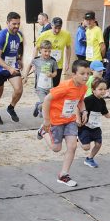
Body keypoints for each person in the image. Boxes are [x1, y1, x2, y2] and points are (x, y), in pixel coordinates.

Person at [37, 59, 90, 187]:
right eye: (82, 73)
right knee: (56, 148)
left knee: (72, 146)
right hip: (56, 120)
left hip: (70, 120)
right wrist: (46, 120)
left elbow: (80, 101)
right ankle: (43, 131)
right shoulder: (65, 86)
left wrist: (84, 111)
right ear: (73, 75)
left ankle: (63, 175)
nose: (86, 76)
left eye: (88, 73)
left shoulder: (84, 87)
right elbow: (47, 99)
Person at [0, 11, 24, 124]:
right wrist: (9, 68)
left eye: (18, 23)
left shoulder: (19, 34)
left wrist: (19, 60)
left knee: (19, 89)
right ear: (7, 23)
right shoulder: (1, 36)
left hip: (12, 66)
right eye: (14, 24)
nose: (16, 26)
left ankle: (11, 107)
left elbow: (17, 49)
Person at [79, 78, 110, 168]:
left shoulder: (102, 101)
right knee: (86, 147)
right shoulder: (88, 100)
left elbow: (105, 113)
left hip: (96, 127)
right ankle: (77, 136)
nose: (103, 91)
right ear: (93, 90)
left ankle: (89, 158)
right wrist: (79, 120)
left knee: (98, 144)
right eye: (100, 89)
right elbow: (79, 109)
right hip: (85, 126)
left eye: (105, 89)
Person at [22, 40, 57, 118]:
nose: (47, 53)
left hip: (50, 87)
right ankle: (44, 116)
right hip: (39, 87)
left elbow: (55, 72)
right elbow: (29, 66)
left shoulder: (53, 60)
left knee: (48, 103)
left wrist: (52, 75)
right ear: (40, 50)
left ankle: (38, 106)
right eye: (45, 51)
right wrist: (25, 77)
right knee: (46, 104)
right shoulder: (36, 60)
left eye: (49, 51)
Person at [33, 17, 72, 87]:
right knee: (44, 86)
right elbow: (36, 48)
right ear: (51, 25)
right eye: (55, 28)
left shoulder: (66, 35)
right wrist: (34, 63)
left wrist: (67, 62)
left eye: (59, 28)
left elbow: (68, 47)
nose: (57, 30)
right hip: (45, 64)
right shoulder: (44, 34)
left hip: (58, 65)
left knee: (55, 87)